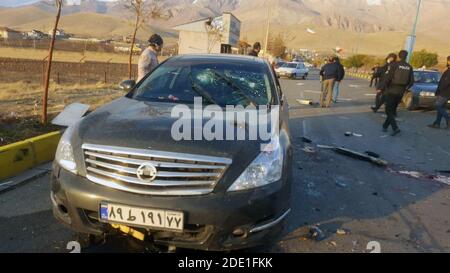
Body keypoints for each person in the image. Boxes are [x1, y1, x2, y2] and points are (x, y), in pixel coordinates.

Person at [378, 50, 414, 136]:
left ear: (399, 56)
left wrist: (381, 88)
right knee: (392, 109)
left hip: (392, 89)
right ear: (406, 56)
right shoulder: (409, 67)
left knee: (388, 110)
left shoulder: (394, 65)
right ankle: (385, 126)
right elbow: (412, 81)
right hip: (401, 91)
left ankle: (395, 128)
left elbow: (388, 77)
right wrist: (405, 88)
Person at [428, 55, 450, 129]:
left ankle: (448, 118)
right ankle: (437, 123)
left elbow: (445, 83)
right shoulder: (448, 70)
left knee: (437, 105)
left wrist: (439, 90)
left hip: (445, 92)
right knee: (441, 107)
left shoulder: (449, 71)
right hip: (446, 92)